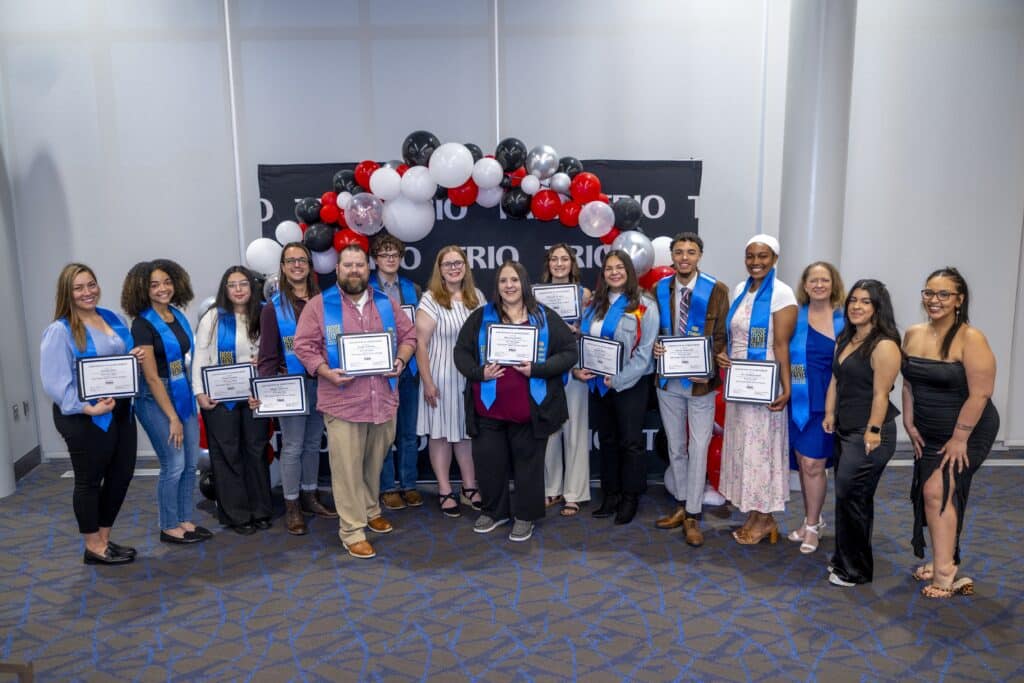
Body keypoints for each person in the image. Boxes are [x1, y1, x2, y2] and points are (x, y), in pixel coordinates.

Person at [293, 244, 417, 559]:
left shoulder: (386, 303)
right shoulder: (320, 306)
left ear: (368, 268)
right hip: (342, 402)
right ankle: (351, 530)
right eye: (347, 265)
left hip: (383, 401)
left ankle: (370, 507)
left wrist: (401, 362)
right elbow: (304, 346)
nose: (354, 271)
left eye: (359, 265)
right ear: (337, 270)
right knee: (347, 469)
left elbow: (410, 337)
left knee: (373, 463)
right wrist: (325, 371)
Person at [453, 261, 578, 541]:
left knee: (528, 466)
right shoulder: (481, 317)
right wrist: (479, 372)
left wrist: (538, 369)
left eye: (514, 280)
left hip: (531, 409)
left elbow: (569, 352)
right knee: (489, 464)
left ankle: (525, 516)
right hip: (489, 410)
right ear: (496, 287)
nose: (509, 286)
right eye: (503, 281)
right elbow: (461, 352)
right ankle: (494, 511)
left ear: (524, 283)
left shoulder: (544, 317)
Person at [902, 267, 998, 598]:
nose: (934, 300)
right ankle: (943, 557)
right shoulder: (913, 333)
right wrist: (909, 421)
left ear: (959, 299)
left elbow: (981, 393)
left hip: (970, 430)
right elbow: (910, 380)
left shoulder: (971, 338)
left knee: (935, 490)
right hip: (928, 430)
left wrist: (959, 438)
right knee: (934, 495)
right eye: (929, 293)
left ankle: (945, 571)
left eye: (944, 294)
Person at [40, 264, 144, 564]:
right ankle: (93, 546)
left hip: (120, 408)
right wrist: (88, 407)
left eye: (91, 285)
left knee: (121, 474)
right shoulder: (59, 330)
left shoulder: (111, 317)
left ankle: (104, 538)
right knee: (89, 480)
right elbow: (55, 382)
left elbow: (116, 361)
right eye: (79, 288)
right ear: (67, 293)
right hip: (84, 415)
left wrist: (132, 357)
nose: (88, 292)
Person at [122, 259, 211, 545]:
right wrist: (173, 417)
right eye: (154, 284)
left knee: (189, 463)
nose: (163, 288)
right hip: (154, 399)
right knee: (172, 463)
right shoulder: (142, 324)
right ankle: (168, 525)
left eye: (167, 282)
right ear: (142, 289)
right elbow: (151, 377)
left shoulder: (177, 315)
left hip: (181, 392)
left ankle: (185, 519)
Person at [716, 235, 797, 545]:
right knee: (745, 449)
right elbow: (734, 335)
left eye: (763, 256)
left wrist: (787, 388)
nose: (755, 262)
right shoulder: (740, 289)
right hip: (740, 384)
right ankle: (754, 512)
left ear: (774, 258)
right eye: (750, 256)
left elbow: (781, 344)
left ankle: (765, 518)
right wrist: (725, 355)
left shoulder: (782, 293)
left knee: (762, 449)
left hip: (765, 384)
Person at [651, 233, 730, 547]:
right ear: (672, 256)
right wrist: (656, 345)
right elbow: (655, 330)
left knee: (699, 447)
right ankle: (683, 505)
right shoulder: (659, 289)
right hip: (668, 381)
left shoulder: (716, 290)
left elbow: (723, 336)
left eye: (691, 252)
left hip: (701, 383)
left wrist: (707, 366)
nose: (684, 257)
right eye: (679, 252)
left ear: (700, 255)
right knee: (676, 446)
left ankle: (694, 515)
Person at [822, 279, 901, 587]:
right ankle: (846, 559)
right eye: (853, 300)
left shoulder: (885, 345)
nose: (856, 306)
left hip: (869, 433)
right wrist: (830, 413)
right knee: (850, 498)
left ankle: (855, 571)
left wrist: (873, 431)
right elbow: (835, 379)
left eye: (865, 301)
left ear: (878, 308)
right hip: (844, 429)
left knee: (851, 496)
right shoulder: (847, 337)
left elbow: (882, 394)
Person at [577, 250, 659, 525]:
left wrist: (620, 379)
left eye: (619, 268)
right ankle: (610, 494)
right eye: (608, 268)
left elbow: (645, 353)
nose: (614, 272)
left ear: (629, 271)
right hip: (600, 384)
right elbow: (584, 340)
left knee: (631, 443)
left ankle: (630, 497)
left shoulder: (643, 304)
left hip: (630, 384)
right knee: (608, 440)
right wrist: (580, 367)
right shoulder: (594, 304)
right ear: (603, 274)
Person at [258, 242, 335, 535]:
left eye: (302, 260)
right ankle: (291, 504)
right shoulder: (272, 309)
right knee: (292, 446)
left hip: (323, 381)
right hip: (290, 384)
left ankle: (309, 494)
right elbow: (267, 356)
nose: (297, 265)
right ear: (282, 267)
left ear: (309, 265)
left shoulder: (325, 302)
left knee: (314, 443)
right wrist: (265, 393)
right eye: (290, 261)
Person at [193, 266, 272, 535]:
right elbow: (200, 356)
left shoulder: (264, 313)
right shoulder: (213, 318)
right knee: (228, 454)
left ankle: (260, 509)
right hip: (220, 397)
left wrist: (261, 362)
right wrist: (199, 393)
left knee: (256, 451)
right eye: (232, 285)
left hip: (254, 396)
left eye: (243, 284)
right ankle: (236, 514)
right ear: (225, 289)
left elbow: (274, 353)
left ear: (252, 287)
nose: (238, 290)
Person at [415, 245, 485, 517]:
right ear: (440, 270)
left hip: (468, 379)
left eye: (458, 263)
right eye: (448, 264)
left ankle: (469, 488)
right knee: (442, 435)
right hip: (440, 378)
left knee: (465, 433)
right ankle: (445, 489)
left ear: (466, 267)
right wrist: (428, 382)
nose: (454, 268)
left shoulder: (475, 296)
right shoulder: (432, 299)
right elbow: (420, 343)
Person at [786, 262, 845, 554]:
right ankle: (813, 519)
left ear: (833, 284)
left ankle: (812, 525)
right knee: (802, 463)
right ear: (805, 285)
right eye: (814, 280)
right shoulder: (794, 316)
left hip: (826, 403)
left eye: (825, 280)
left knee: (814, 464)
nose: (819, 285)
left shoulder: (845, 319)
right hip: (796, 401)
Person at [370, 233, 424, 511]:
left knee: (407, 431)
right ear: (375, 259)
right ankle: (388, 486)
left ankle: (410, 484)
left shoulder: (412, 289)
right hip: (377, 371)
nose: (390, 259)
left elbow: (418, 331)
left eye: (395, 255)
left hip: (408, 367)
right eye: (384, 255)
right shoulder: (364, 288)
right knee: (383, 433)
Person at [539, 243, 592, 516]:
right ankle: (552, 488)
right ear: (548, 264)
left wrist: (577, 330)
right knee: (550, 431)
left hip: (575, 367)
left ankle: (574, 492)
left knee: (575, 429)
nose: (559, 264)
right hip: (547, 368)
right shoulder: (535, 298)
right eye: (554, 259)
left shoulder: (585, 295)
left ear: (572, 263)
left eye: (564, 259)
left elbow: (593, 331)